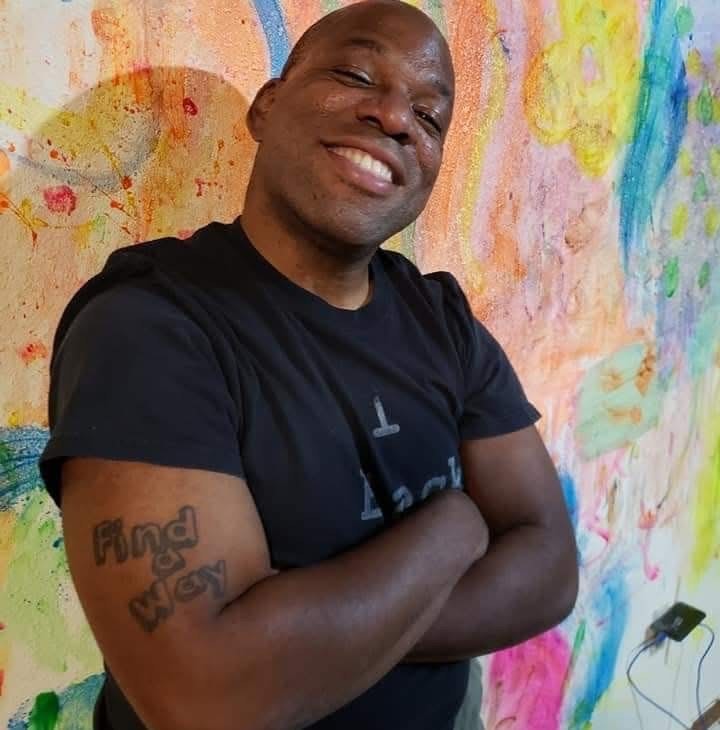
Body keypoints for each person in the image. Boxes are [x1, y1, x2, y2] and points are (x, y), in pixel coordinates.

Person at [39, 1, 579, 729]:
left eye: (429, 117)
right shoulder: (150, 327)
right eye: (358, 74)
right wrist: (456, 529)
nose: (394, 118)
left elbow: (550, 569)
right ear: (267, 106)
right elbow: (209, 696)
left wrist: (320, 638)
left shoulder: (441, 319)